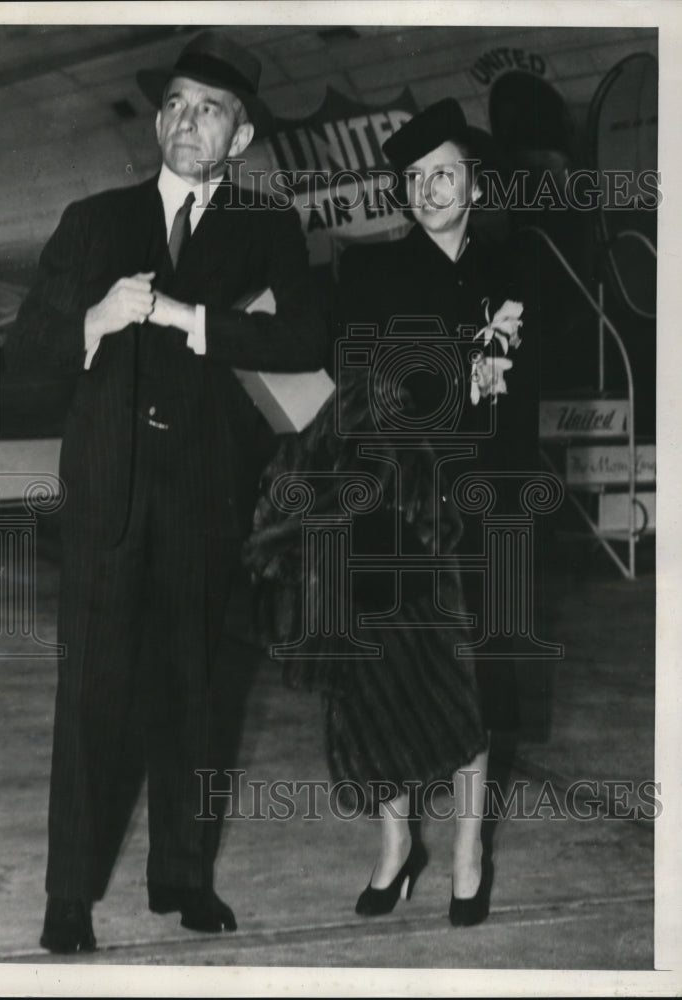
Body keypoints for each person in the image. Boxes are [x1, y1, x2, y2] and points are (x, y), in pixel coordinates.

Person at [8, 30, 326, 952]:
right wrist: (95, 319)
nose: (191, 122)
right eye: (178, 104)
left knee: (191, 688)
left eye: (212, 110)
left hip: (203, 495)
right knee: (91, 697)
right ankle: (68, 893)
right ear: (158, 121)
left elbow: (302, 342)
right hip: (106, 496)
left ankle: (182, 879)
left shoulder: (268, 230)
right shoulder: (93, 220)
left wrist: (195, 321)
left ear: (240, 139)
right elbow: (24, 356)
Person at [245, 98, 539, 927]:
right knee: (375, 676)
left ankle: (468, 854)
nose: (431, 187)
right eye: (414, 178)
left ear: (473, 182)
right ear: (404, 195)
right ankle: (395, 845)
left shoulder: (514, 270)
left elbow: (524, 393)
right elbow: (372, 389)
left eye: (444, 170)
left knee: (472, 675)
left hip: (487, 502)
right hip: (395, 505)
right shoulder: (371, 274)